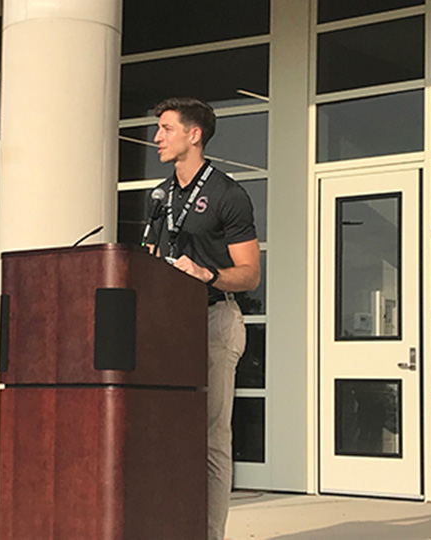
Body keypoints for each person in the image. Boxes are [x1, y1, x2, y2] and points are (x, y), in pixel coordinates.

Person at [146, 97, 260, 540]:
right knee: (165, 432)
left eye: (166, 128)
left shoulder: (228, 194)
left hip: (214, 320)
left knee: (211, 439)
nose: (157, 137)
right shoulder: (160, 196)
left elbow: (250, 274)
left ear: (194, 135)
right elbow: (151, 258)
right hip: (168, 327)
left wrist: (205, 273)